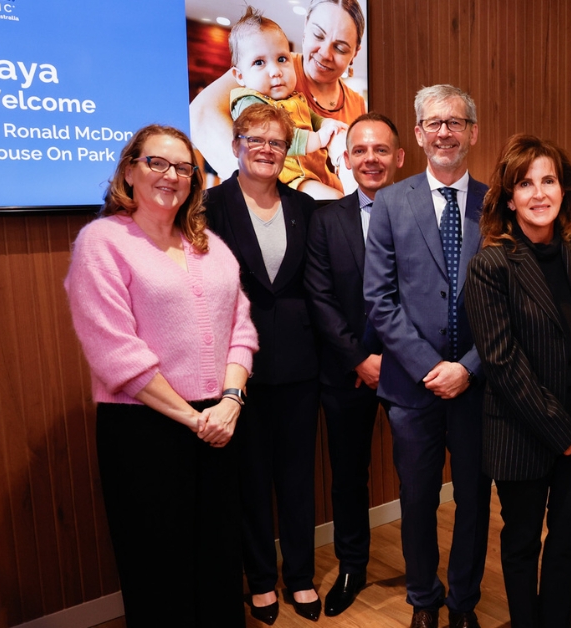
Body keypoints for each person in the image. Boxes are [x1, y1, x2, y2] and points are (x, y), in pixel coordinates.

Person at [64, 124, 258, 626]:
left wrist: (231, 402)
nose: (171, 175)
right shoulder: (101, 242)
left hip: (220, 422)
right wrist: (193, 420)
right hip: (144, 430)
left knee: (218, 561)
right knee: (157, 568)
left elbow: (242, 328)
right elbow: (116, 354)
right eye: (157, 163)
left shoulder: (210, 246)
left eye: (184, 167)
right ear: (130, 170)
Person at [465, 135, 571, 628]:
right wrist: (561, 430)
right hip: (523, 432)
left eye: (548, 180)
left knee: (569, 538)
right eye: (525, 184)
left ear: (563, 188)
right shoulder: (491, 265)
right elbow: (503, 364)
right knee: (523, 540)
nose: (538, 193)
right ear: (509, 198)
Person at [364, 84, 492, 628]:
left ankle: (463, 602)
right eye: (434, 123)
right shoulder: (392, 202)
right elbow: (379, 298)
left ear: (472, 133)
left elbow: (509, 302)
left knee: (474, 504)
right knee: (416, 501)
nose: (445, 132)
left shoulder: (497, 202)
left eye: (455, 122)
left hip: (480, 386)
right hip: (411, 390)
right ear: (416, 135)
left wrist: (469, 366)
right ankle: (423, 598)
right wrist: (429, 367)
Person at [204, 104, 321, 624]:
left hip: (300, 361)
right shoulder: (208, 205)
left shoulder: (304, 207)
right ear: (235, 145)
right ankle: (259, 580)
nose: (267, 149)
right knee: (250, 478)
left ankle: (299, 575)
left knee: (298, 477)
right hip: (235, 365)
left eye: (277, 142)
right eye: (256, 139)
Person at [304, 111, 405, 617]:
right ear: (346, 159)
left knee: (419, 474)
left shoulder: (419, 216)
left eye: (381, 150)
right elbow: (318, 297)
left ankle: (424, 569)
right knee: (348, 477)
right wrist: (361, 359)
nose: (371, 159)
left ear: (399, 158)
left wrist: (398, 357)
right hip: (346, 373)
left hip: (410, 370)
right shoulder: (326, 220)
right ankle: (352, 566)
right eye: (360, 150)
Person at [191, 0, 367, 195]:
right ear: (305, 27)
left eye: (341, 48)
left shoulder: (355, 103)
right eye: (318, 35)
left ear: (355, 53)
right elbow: (200, 114)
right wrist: (264, 188)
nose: (325, 54)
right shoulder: (266, 72)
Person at [227, 6, 348, 199]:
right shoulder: (249, 103)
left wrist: (325, 124)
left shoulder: (294, 97)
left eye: (282, 59)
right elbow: (271, 138)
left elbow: (313, 117)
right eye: (259, 62)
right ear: (239, 76)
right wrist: (317, 139)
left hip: (316, 174)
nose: (275, 71)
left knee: (350, 196)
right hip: (289, 180)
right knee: (335, 201)